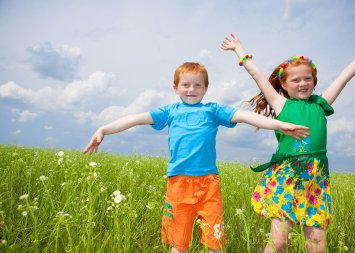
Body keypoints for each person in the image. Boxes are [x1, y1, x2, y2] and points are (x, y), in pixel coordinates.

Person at [83, 62, 310, 253]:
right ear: (175, 87)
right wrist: (103, 129)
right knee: (178, 242)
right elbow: (134, 119)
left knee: (214, 240)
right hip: (178, 183)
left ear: (205, 88)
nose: (191, 89)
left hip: (208, 183)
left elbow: (246, 117)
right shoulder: (170, 111)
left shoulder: (212, 110)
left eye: (197, 85)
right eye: (186, 85)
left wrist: (279, 124)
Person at [221, 34, 355, 253]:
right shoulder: (281, 104)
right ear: (284, 85)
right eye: (295, 80)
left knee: (317, 244)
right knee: (278, 243)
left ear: (314, 81)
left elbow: (344, 78)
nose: (303, 83)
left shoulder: (320, 105)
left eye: (307, 78)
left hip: (315, 181)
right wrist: (238, 49)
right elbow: (256, 74)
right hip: (287, 178)